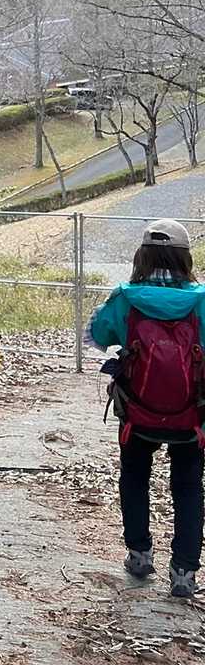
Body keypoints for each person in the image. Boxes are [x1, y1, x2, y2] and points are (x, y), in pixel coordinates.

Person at [88, 218, 205, 599]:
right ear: (185, 258)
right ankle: (184, 571)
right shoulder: (202, 300)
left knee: (135, 475)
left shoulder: (126, 297)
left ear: (141, 255)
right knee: (188, 485)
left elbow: (97, 335)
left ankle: (139, 554)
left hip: (137, 410)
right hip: (192, 413)